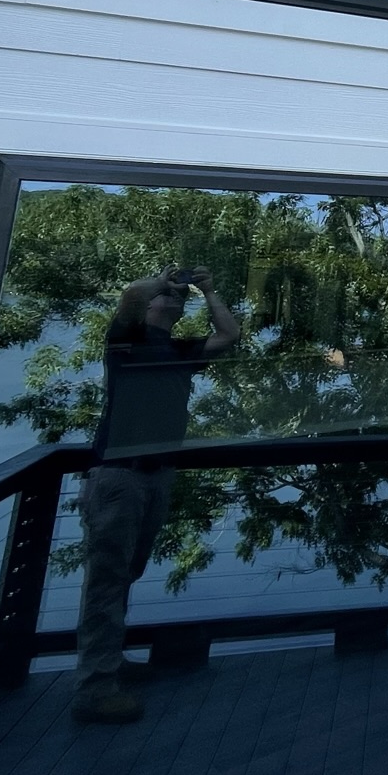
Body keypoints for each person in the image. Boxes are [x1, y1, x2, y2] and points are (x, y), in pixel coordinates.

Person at [71, 266, 239, 724]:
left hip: (155, 475)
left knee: (125, 573)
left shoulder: (179, 349)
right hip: (119, 476)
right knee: (107, 580)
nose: (175, 299)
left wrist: (208, 288)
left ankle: (110, 662)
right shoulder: (126, 340)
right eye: (168, 296)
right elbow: (130, 296)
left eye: (178, 296)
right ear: (150, 304)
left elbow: (228, 332)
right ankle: (95, 688)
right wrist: (164, 279)